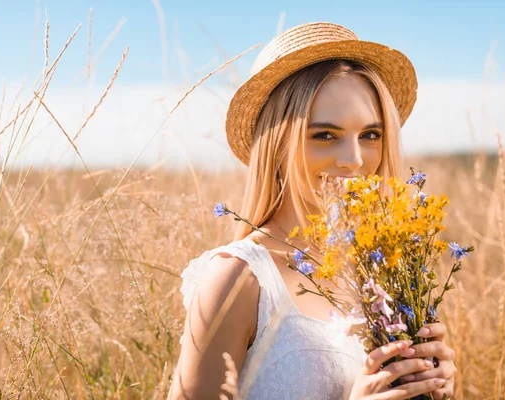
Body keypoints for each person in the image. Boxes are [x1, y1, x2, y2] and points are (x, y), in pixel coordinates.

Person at [168, 22, 456, 400]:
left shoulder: (384, 271)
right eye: (325, 135)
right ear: (277, 144)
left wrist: (436, 388)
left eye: (370, 135)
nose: (354, 160)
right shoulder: (239, 279)